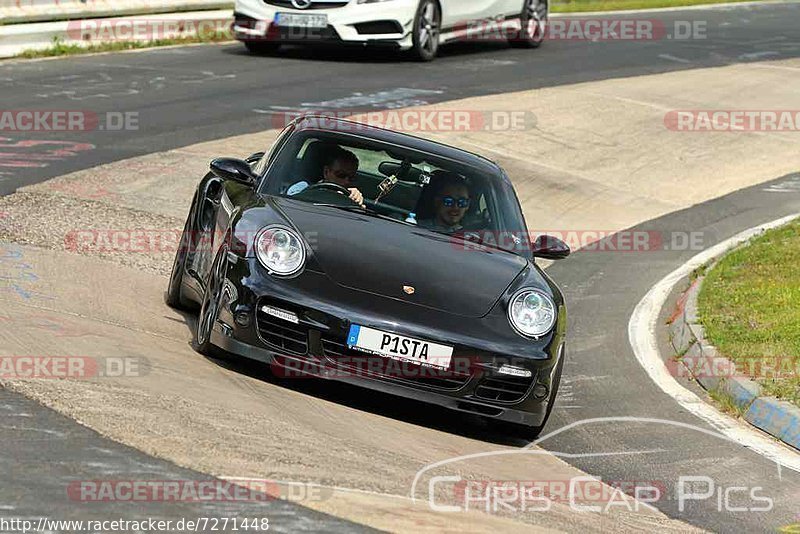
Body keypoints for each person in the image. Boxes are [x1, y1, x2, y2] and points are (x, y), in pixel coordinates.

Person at [288, 147, 365, 207]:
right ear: (326, 172)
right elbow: (288, 206)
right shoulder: (302, 187)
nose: (346, 181)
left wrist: (356, 204)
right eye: (341, 175)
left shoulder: (352, 195)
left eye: (351, 178)